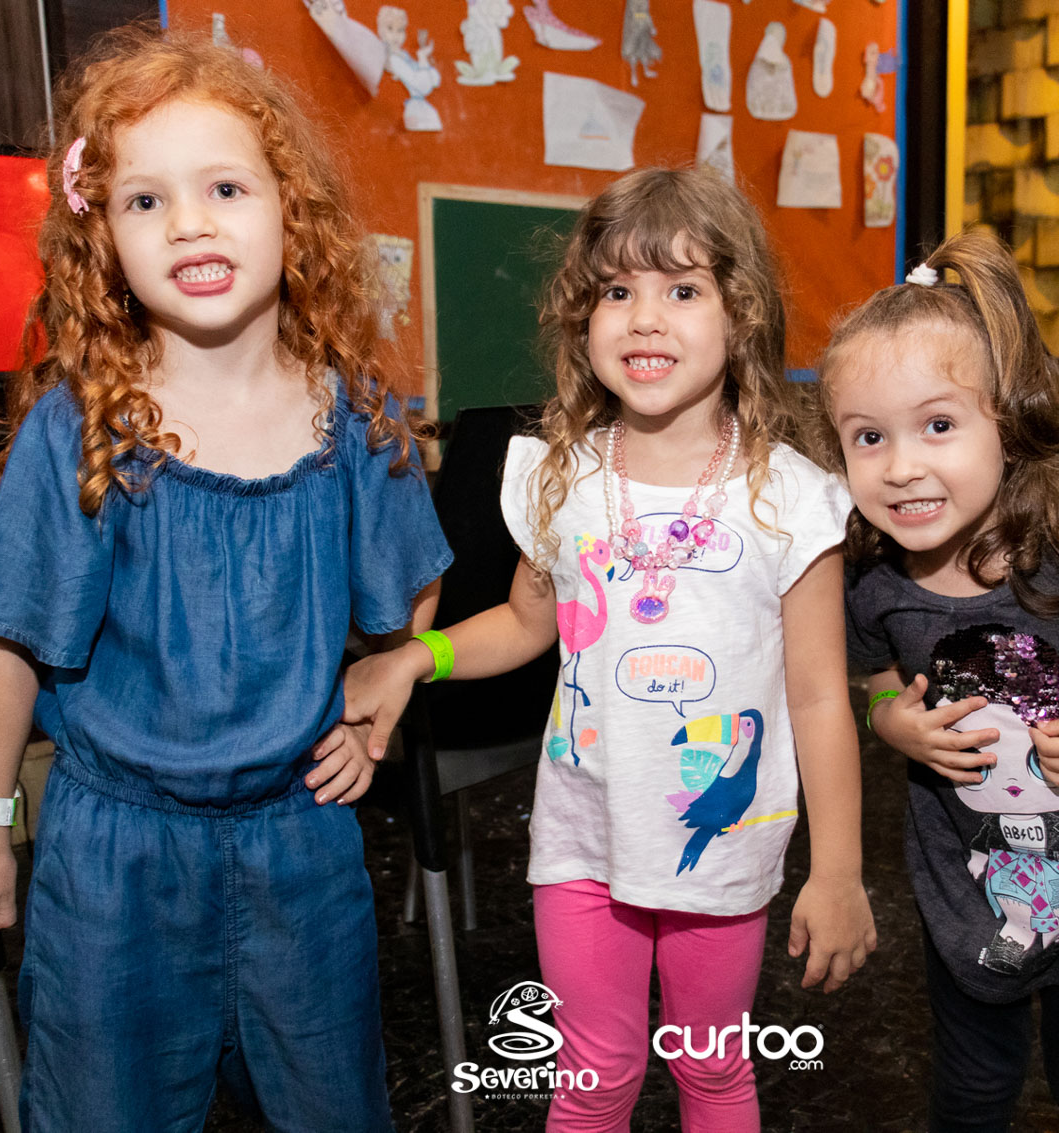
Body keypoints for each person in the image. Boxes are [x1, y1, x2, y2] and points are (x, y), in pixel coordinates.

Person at [0, 28, 449, 1132]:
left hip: (300, 847)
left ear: (291, 209)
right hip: (114, 865)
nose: (189, 223)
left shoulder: (356, 421)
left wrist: (377, 702)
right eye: (144, 200)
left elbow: (408, 595)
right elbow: (9, 653)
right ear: (101, 237)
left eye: (224, 187)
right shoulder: (81, 430)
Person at [338, 167, 876, 1131]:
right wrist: (416, 658)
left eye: (683, 289)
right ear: (582, 318)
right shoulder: (562, 477)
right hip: (583, 844)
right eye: (617, 291)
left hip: (719, 850)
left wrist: (836, 870)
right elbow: (526, 624)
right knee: (592, 1076)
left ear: (741, 313)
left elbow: (819, 697)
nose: (644, 318)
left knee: (713, 1073)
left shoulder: (791, 499)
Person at [819, 227, 1059, 1133]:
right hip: (967, 890)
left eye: (938, 425)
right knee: (970, 1093)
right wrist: (892, 722)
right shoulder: (874, 576)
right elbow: (878, 678)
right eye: (868, 436)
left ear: (1011, 418)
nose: (901, 466)